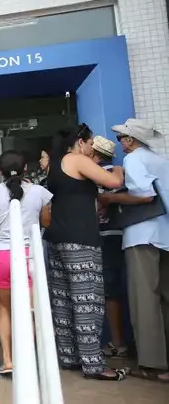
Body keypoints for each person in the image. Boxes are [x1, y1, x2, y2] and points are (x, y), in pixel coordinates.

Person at [45, 124, 127, 380]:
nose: (92, 148)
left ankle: (69, 357)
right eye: (90, 143)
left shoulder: (55, 164)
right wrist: (119, 165)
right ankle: (94, 365)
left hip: (57, 238)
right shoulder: (76, 159)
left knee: (63, 302)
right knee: (86, 302)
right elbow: (114, 181)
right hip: (80, 239)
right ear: (80, 142)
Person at [101, 119, 169, 383]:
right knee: (164, 298)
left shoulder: (134, 160)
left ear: (130, 140)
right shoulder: (160, 160)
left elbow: (144, 195)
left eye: (121, 138)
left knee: (144, 300)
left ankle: (153, 365)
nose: (120, 143)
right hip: (164, 234)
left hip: (143, 234)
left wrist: (108, 198)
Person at [0, 150, 52, 375]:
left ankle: (8, 361)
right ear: (26, 169)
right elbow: (46, 222)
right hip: (29, 255)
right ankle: (28, 361)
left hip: (0, 256)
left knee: (4, 308)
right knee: (28, 310)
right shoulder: (40, 192)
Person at [90, 136, 129, 360]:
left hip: (106, 235)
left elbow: (104, 201)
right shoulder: (116, 171)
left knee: (109, 290)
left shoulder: (100, 174)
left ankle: (118, 343)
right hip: (117, 234)